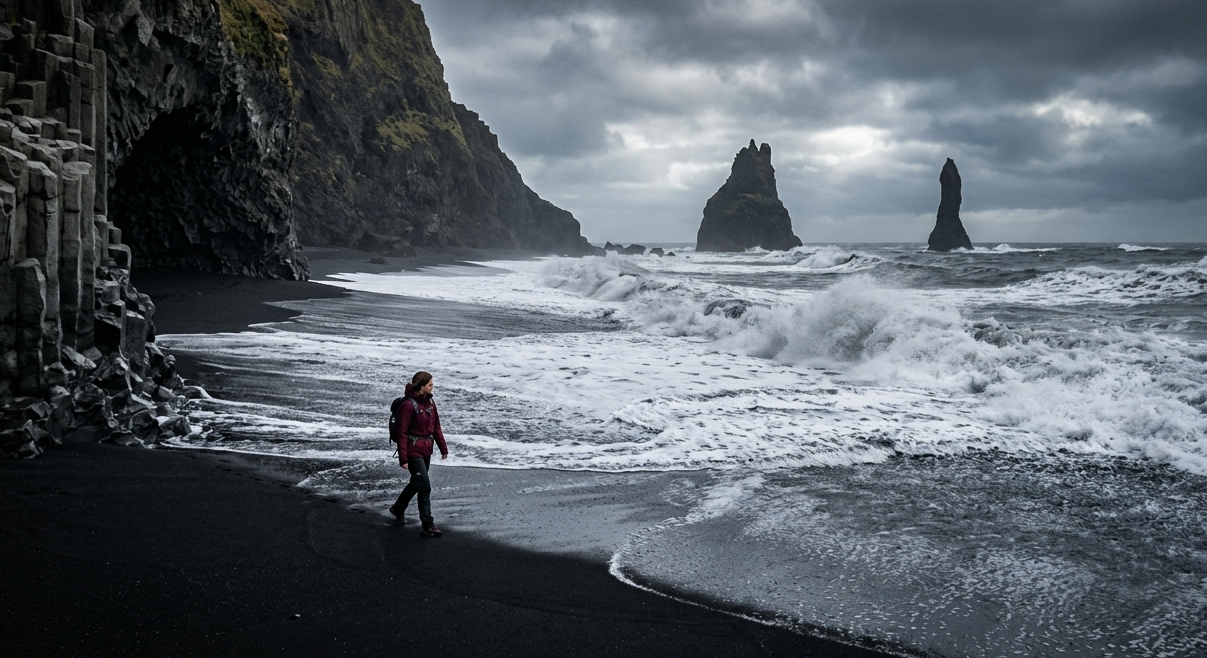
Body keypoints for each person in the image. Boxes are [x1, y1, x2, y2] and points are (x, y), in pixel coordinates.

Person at [389, 371, 448, 537]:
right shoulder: (408, 405)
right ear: (422, 386)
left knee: (416, 483)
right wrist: (403, 457)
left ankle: (398, 508)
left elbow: (436, 427)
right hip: (413, 450)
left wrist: (443, 448)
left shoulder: (430, 403)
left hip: (426, 449)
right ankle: (427, 524)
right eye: (430, 384)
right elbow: (401, 433)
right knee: (424, 487)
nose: (432, 387)